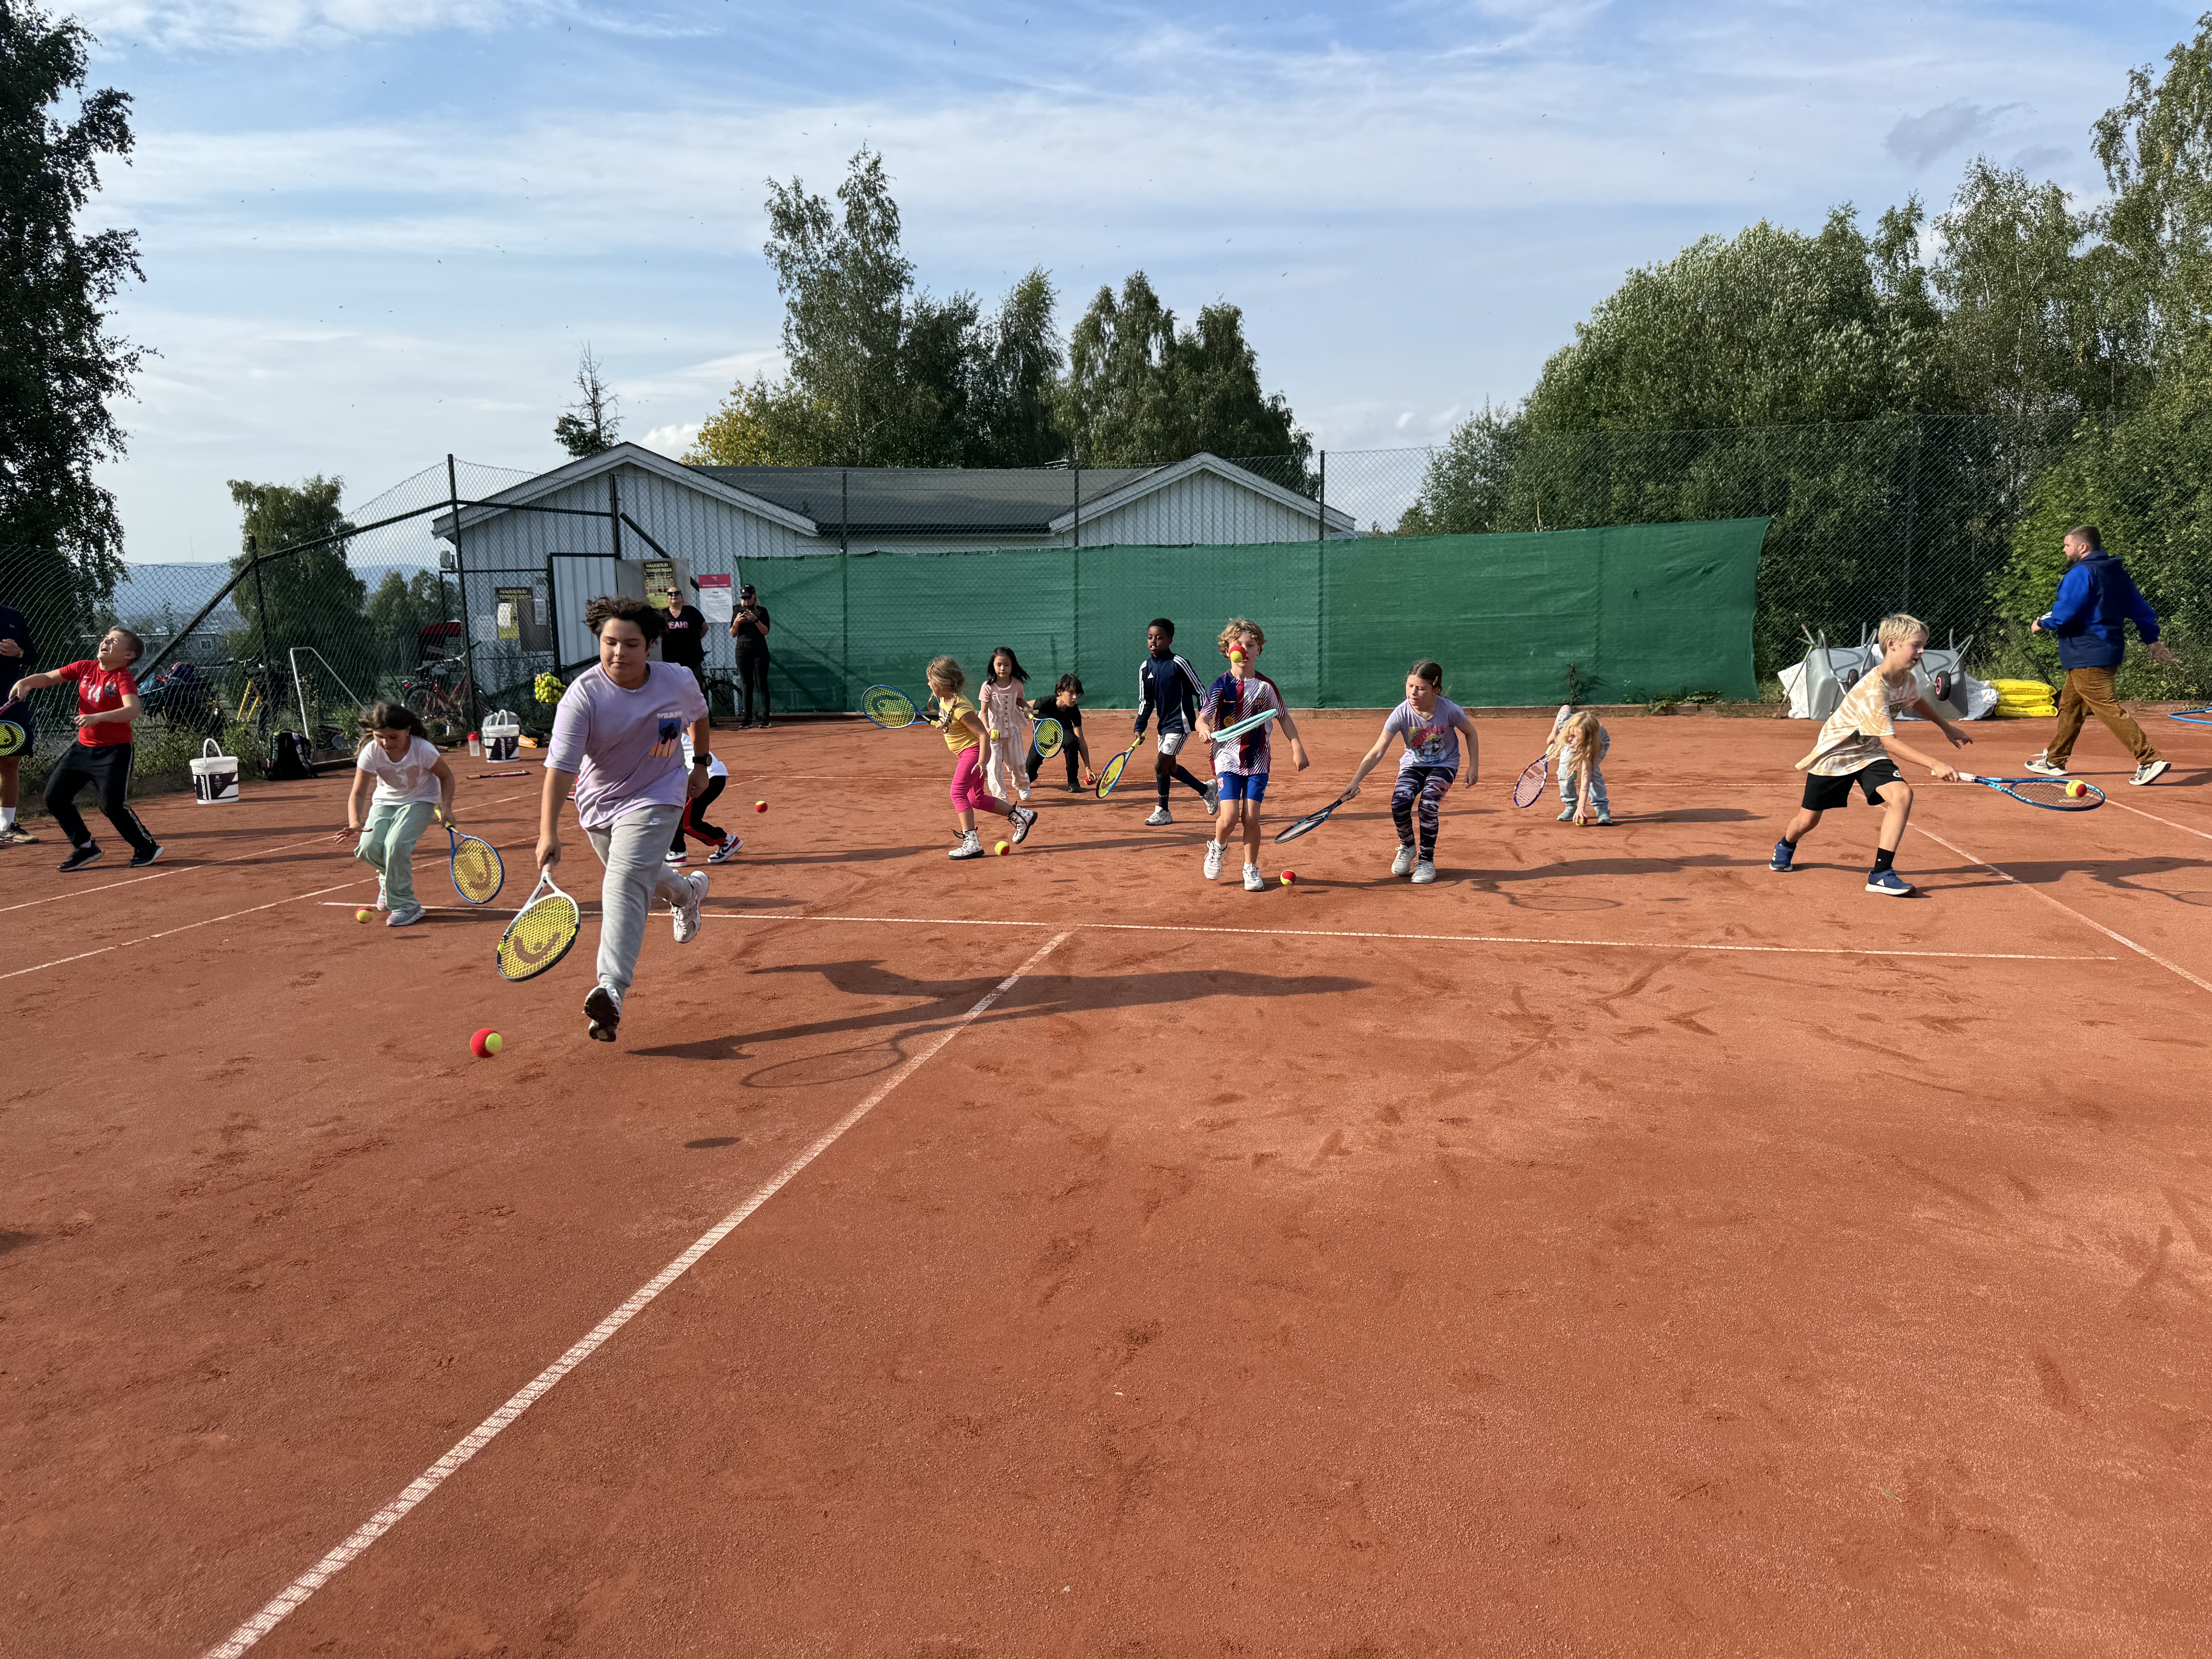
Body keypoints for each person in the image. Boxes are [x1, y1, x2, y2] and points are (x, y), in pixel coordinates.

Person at [539, 594, 714, 1043]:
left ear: (651, 645)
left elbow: (699, 716)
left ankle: (610, 990)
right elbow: (561, 769)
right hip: (601, 804)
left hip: (660, 793)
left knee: (622, 880)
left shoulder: (677, 680)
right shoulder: (584, 696)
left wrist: (700, 764)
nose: (619, 653)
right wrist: (548, 831)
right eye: (609, 643)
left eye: (631, 644)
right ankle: (686, 893)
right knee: (637, 871)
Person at [1772, 612, 1972, 896]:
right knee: (1808, 821)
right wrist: (1934, 763)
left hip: (1869, 752)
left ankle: (1880, 874)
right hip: (1836, 755)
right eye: (1916, 645)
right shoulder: (1873, 689)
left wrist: (1947, 727)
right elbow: (1890, 742)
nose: (1922, 651)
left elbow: (1915, 702)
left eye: (1923, 645)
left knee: (1902, 795)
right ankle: (1786, 844)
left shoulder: (1906, 678)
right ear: (1892, 644)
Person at [2024, 524, 2176, 787]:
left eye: (2067, 545)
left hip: (2088, 652)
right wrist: (2153, 640)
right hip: (2105, 650)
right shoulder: (2117, 574)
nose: (2064, 549)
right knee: (2071, 706)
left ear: (2083, 548)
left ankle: (2149, 759)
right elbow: (2141, 610)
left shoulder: (2081, 573)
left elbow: (2065, 613)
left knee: (2106, 707)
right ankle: (2055, 760)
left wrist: (2042, 621)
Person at [9, 626, 161, 872]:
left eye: (114, 642)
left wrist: (98, 718)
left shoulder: (123, 679)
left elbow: (132, 711)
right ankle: (86, 847)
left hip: (115, 751)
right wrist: (25, 682)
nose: (106, 643)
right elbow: (49, 678)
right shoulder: (85, 668)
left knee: (112, 806)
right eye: (106, 639)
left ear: (128, 656)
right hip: (83, 749)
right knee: (55, 798)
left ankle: (146, 847)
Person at [1195, 619, 1308, 890]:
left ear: (1259, 650)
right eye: (1239, 645)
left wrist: (1297, 746)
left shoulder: (1266, 687)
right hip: (1226, 758)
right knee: (1230, 816)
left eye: (1251, 645)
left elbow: (1283, 718)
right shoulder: (1221, 685)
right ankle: (1218, 847)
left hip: (1258, 760)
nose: (1244, 650)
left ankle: (1251, 868)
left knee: (1252, 818)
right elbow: (1204, 718)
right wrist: (1203, 730)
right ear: (1228, 649)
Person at [1341, 660, 1479, 883]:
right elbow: (1378, 751)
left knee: (1428, 805)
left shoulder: (1449, 710)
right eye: (1410, 686)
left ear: (1436, 690)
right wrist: (1356, 781)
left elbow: (1471, 734)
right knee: (1399, 802)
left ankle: (1426, 861)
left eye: (1421, 688)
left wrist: (1474, 767)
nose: (1413, 692)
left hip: (1444, 765)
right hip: (1413, 765)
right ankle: (1407, 846)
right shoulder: (1401, 713)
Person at [337, 702, 456, 926]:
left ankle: (406, 905)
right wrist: (355, 822)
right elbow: (358, 793)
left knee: (396, 845)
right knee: (368, 847)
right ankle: (389, 883)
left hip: (420, 801)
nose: (386, 743)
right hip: (385, 802)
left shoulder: (423, 750)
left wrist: (447, 807)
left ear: (408, 730)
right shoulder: (371, 752)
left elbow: (447, 777)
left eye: (393, 737)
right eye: (380, 736)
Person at [924, 656, 1038, 860]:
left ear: (943, 682)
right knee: (975, 798)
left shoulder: (962, 707)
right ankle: (1022, 816)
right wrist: (944, 725)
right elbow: (949, 720)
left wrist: (982, 762)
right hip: (965, 753)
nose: (929, 684)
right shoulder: (944, 700)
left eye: (931, 681)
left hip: (973, 753)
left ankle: (972, 842)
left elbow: (983, 734)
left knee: (957, 793)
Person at [1135, 617, 1218, 826]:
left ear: (1170, 640)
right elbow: (1146, 701)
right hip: (1163, 725)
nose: (1154, 642)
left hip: (1181, 723)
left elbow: (1199, 690)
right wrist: (1140, 726)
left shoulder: (1178, 664)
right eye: (1150, 638)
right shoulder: (1145, 668)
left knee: (1160, 766)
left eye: (1160, 638)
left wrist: (1203, 719)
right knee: (1170, 768)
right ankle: (1205, 790)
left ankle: (1163, 811)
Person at [668, 727, 740, 865]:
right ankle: (677, 851)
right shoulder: (664, 732)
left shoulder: (656, 740)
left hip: (706, 777)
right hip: (712, 775)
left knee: (687, 823)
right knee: (675, 811)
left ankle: (726, 841)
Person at [0, 599, 37, 846]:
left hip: (8, 698)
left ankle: (6, 826)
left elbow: (33, 656)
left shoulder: (12, 617)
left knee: (11, 760)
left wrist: (19, 653)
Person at [979, 646, 1033, 804]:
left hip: (1013, 730)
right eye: (999, 665)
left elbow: (1019, 700)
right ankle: (1000, 797)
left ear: (1013, 665)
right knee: (994, 766)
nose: (1003, 668)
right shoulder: (987, 687)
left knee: (1018, 763)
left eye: (1007, 665)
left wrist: (1029, 710)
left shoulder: (1017, 684)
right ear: (993, 666)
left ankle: (1022, 785)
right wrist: (988, 729)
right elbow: (983, 712)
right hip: (993, 733)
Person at [1025, 674, 1094, 793]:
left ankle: (1073, 781)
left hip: (1064, 733)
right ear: (1060, 692)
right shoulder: (1044, 703)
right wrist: (1026, 712)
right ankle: (1031, 775)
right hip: (1044, 735)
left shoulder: (1074, 711)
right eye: (1071, 693)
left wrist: (1088, 768)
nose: (1074, 698)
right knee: (1028, 774)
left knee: (1073, 742)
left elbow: (1081, 740)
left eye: (1077, 694)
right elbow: (1023, 706)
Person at [1547, 706, 1612, 825]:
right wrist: (1554, 733)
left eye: (1573, 736)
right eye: (1569, 734)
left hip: (1597, 743)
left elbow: (1585, 780)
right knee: (1564, 773)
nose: (1569, 739)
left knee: (1593, 776)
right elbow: (1565, 707)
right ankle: (1571, 806)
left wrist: (1581, 808)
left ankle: (1602, 810)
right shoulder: (1566, 723)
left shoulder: (1592, 746)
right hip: (1577, 739)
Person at [728, 583, 772, 727]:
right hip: (743, 648)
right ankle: (748, 719)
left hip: (759, 648)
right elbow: (733, 634)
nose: (746, 600)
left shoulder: (761, 611)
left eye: (749, 597)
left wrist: (755, 619)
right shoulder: (737, 611)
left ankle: (766, 719)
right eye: (744, 598)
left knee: (762, 684)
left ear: (755, 596)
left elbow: (765, 631)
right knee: (747, 685)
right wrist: (736, 622)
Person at [658, 585, 709, 694]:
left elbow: (705, 628)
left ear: (682, 597)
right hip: (672, 660)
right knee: (674, 688)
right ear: (668, 598)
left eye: (677, 593)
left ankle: (701, 711)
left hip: (693, 658)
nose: (674, 596)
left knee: (696, 688)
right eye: (670, 594)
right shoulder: (663, 614)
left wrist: (695, 639)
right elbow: (658, 632)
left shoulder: (691, 612)